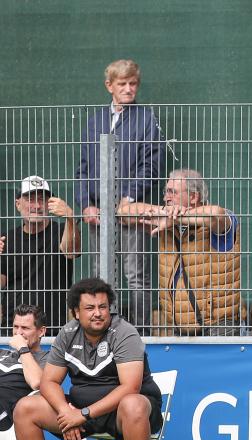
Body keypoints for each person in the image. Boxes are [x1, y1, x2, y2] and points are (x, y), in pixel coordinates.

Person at [10, 278, 162, 440]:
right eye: (89, 308)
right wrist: (66, 412)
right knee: (25, 408)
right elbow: (49, 382)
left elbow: (131, 386)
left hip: (122, 412)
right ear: (76, 312)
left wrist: (82, 415)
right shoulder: (68, 333)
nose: (97, 313)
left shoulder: (125, 332)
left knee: (134, 403)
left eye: (102, 307)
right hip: (80, 411)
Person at [75, 59, 163, 333]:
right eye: (122, 84)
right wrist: (86, 205)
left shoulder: (145, 118)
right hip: (99, 211)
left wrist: (130, 196)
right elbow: (83, 166)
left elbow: (151, 163)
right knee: (101, 276)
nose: (128, 89)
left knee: (136, 275)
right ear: (109, 86)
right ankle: (103, 332)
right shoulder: (95, 120)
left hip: (130, 208)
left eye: (133, 83)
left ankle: (140, 334)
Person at [121, 169, 244, 335]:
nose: (166, 197)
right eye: (166, 191)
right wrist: (165, 213)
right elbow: (123, 212)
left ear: (193, 197)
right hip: (180, 327)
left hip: (220, 327)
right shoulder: (165, 220)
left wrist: (175, 217)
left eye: (173, 192)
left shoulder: (220, 222)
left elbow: (216, 214)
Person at [0, 176, 81, 334]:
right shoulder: (7, 239)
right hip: (15, 327)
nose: (36, 206)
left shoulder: (62, 230)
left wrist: (70, 217)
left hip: (52, 328)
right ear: (18, 204)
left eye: (42, 200)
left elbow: (72, 252)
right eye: (30, 199)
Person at [0, 305, 49, 434]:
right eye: (16, 327)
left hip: (6, 416)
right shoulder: (2, 353)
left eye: (25, 328)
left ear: (41, 331)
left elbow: (37, 383)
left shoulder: (47, 358)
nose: (18, 333)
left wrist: (22, 348)